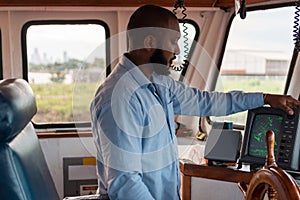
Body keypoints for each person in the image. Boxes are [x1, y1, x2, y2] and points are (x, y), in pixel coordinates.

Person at [90, 4, 300, 200]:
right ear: (150, 43)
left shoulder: (159, 83)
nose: (178, 51)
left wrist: (264, 98)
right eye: (173, 42)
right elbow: (125, 183)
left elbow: (208, 102)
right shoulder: (119, 98)